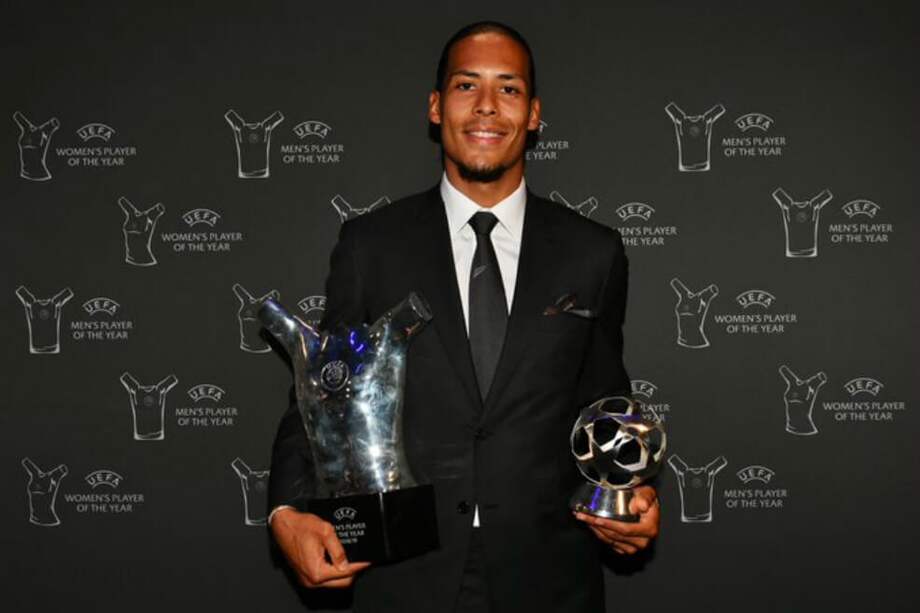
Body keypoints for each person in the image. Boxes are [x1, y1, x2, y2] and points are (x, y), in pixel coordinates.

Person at [267, 21, 660, 613]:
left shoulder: (593, 253)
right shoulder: (371, 247)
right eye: (465, 85)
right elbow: (323, 398)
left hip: (550, 579)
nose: (485, 107)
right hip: (405, 574)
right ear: (435, 106)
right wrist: (286, 511)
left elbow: (604, 403)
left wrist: (629, 495)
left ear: (532, 114)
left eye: (508, 89)